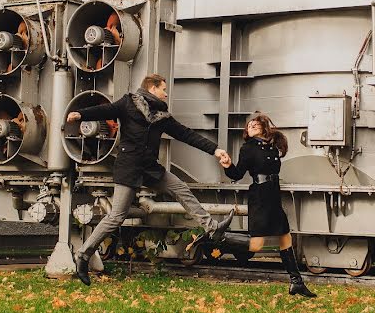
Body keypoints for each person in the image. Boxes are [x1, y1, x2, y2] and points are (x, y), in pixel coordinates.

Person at [67, 73, 234, 286]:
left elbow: (186, 134)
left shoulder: (161, 115)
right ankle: (83, 255)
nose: (166, 93)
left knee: (180, 188)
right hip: (129, 168)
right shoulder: (128, 103)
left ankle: (212, 227)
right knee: (117, 216)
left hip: (150, 169)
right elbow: (105, 110)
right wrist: (80, 115)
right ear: (152, 87)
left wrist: (215, 150)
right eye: (163, 89)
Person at [212, 112, 316, 297]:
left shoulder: (272, 146)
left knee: (285, 239)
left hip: (273, 195)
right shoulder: (248, 148)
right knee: (257, 246)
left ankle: (296, 283)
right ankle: (219, 238)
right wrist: (227, 165)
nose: (250, 126)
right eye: (248, 125)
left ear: (263, 127)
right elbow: (237, 175)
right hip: (259, 196)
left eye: (254, 124)